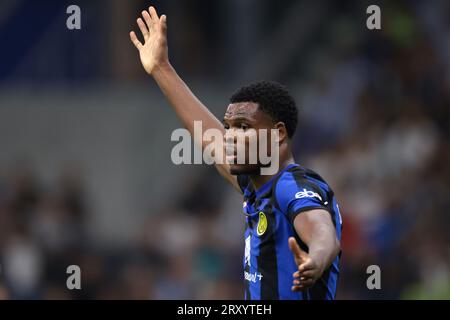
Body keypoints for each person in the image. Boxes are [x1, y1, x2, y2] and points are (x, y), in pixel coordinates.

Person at [130, 6, 342, 300]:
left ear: (278, 134)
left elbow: (321, 229)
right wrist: (161, 68)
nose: (230, 136)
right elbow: (211, 140)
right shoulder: (257, 187)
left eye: (243, 127)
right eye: (229, 126)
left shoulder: (293, 185)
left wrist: (317, 259)